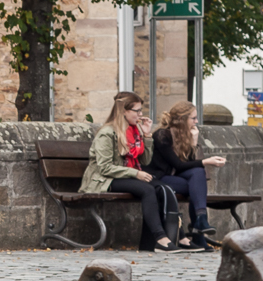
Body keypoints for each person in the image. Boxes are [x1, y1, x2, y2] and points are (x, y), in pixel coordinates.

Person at [81, 92, 196, 253]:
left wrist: (147, 135)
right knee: (147, 189)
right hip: (104, 179)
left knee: (163, 188)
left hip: (126, 174)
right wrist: (135, 174)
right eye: (137, 111)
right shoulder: (107, 133)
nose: (141, 115)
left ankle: (176, 238)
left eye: (141, 110)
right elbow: (104, 167)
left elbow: (144, 161)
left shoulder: (134, 131)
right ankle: (161, 239)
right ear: (124, 111)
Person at [150, 101, 226, 250]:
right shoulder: (162, 135)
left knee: (197, 174)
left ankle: (200, 221)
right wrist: (206, 161)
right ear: (181, 119)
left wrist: (193, 142)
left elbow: (190, 164)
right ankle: (199, 229)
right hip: (160, 178)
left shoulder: (185, 134)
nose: (196, 122)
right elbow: (178, 165)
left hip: (175, 177)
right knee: (196, 185)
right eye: (193, 118)